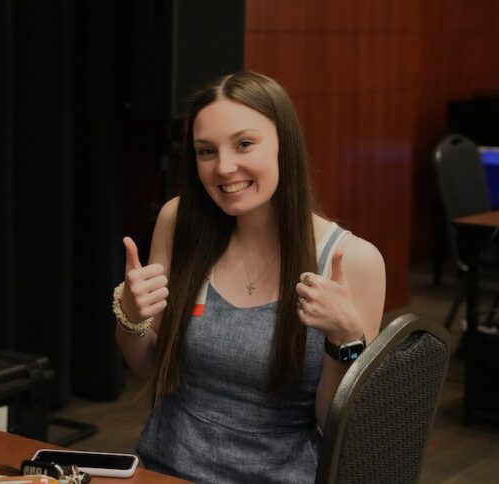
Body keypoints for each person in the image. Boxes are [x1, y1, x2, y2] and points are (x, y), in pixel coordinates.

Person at [111, 71, 386, 483]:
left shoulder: (352, 261)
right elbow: (147, 365)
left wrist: (346, 340)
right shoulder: (178, 220)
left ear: (283, 147)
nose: (224, 167)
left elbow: (337, 425)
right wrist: (130, 317)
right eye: (206, 151)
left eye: (244, 144)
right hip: (166, 470)